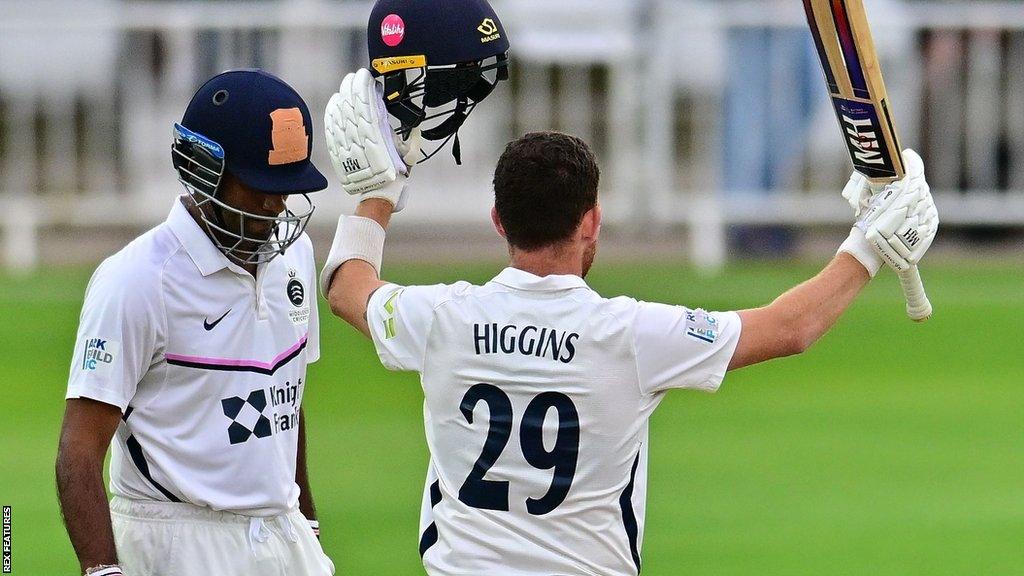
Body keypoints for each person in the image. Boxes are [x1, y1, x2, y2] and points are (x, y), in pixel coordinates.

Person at [317, 66, 938, 575]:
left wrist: (379, 190)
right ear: (591, 220)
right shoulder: (631, 335)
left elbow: (347, 286)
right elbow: (788, 328)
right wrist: (868, 246)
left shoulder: (439, 317)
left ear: (498, 220)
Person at [56, 69, 334, 576]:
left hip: (281, 535)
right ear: (205, 171)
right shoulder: (137, 280)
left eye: (287, 189)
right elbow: (78, 451)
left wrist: (306, 525)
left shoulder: (295, 256)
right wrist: (102, 572)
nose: (277, 206)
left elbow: (285, 404)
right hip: (176, 540)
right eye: (260, 187)